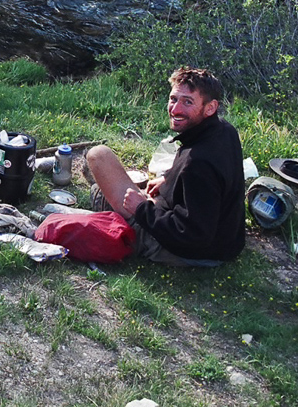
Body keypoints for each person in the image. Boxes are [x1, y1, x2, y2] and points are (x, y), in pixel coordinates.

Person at [85, 67, 245, 266]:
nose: (175, 109)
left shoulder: (199, 163)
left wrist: (141, 208)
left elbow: (194, 236)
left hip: (195, 251)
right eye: (173, 99)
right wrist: (168, 179)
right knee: (102, 166)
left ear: (210, 107)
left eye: (188, 102)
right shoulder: (223, 130)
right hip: (225, 238)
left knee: (98, 171)